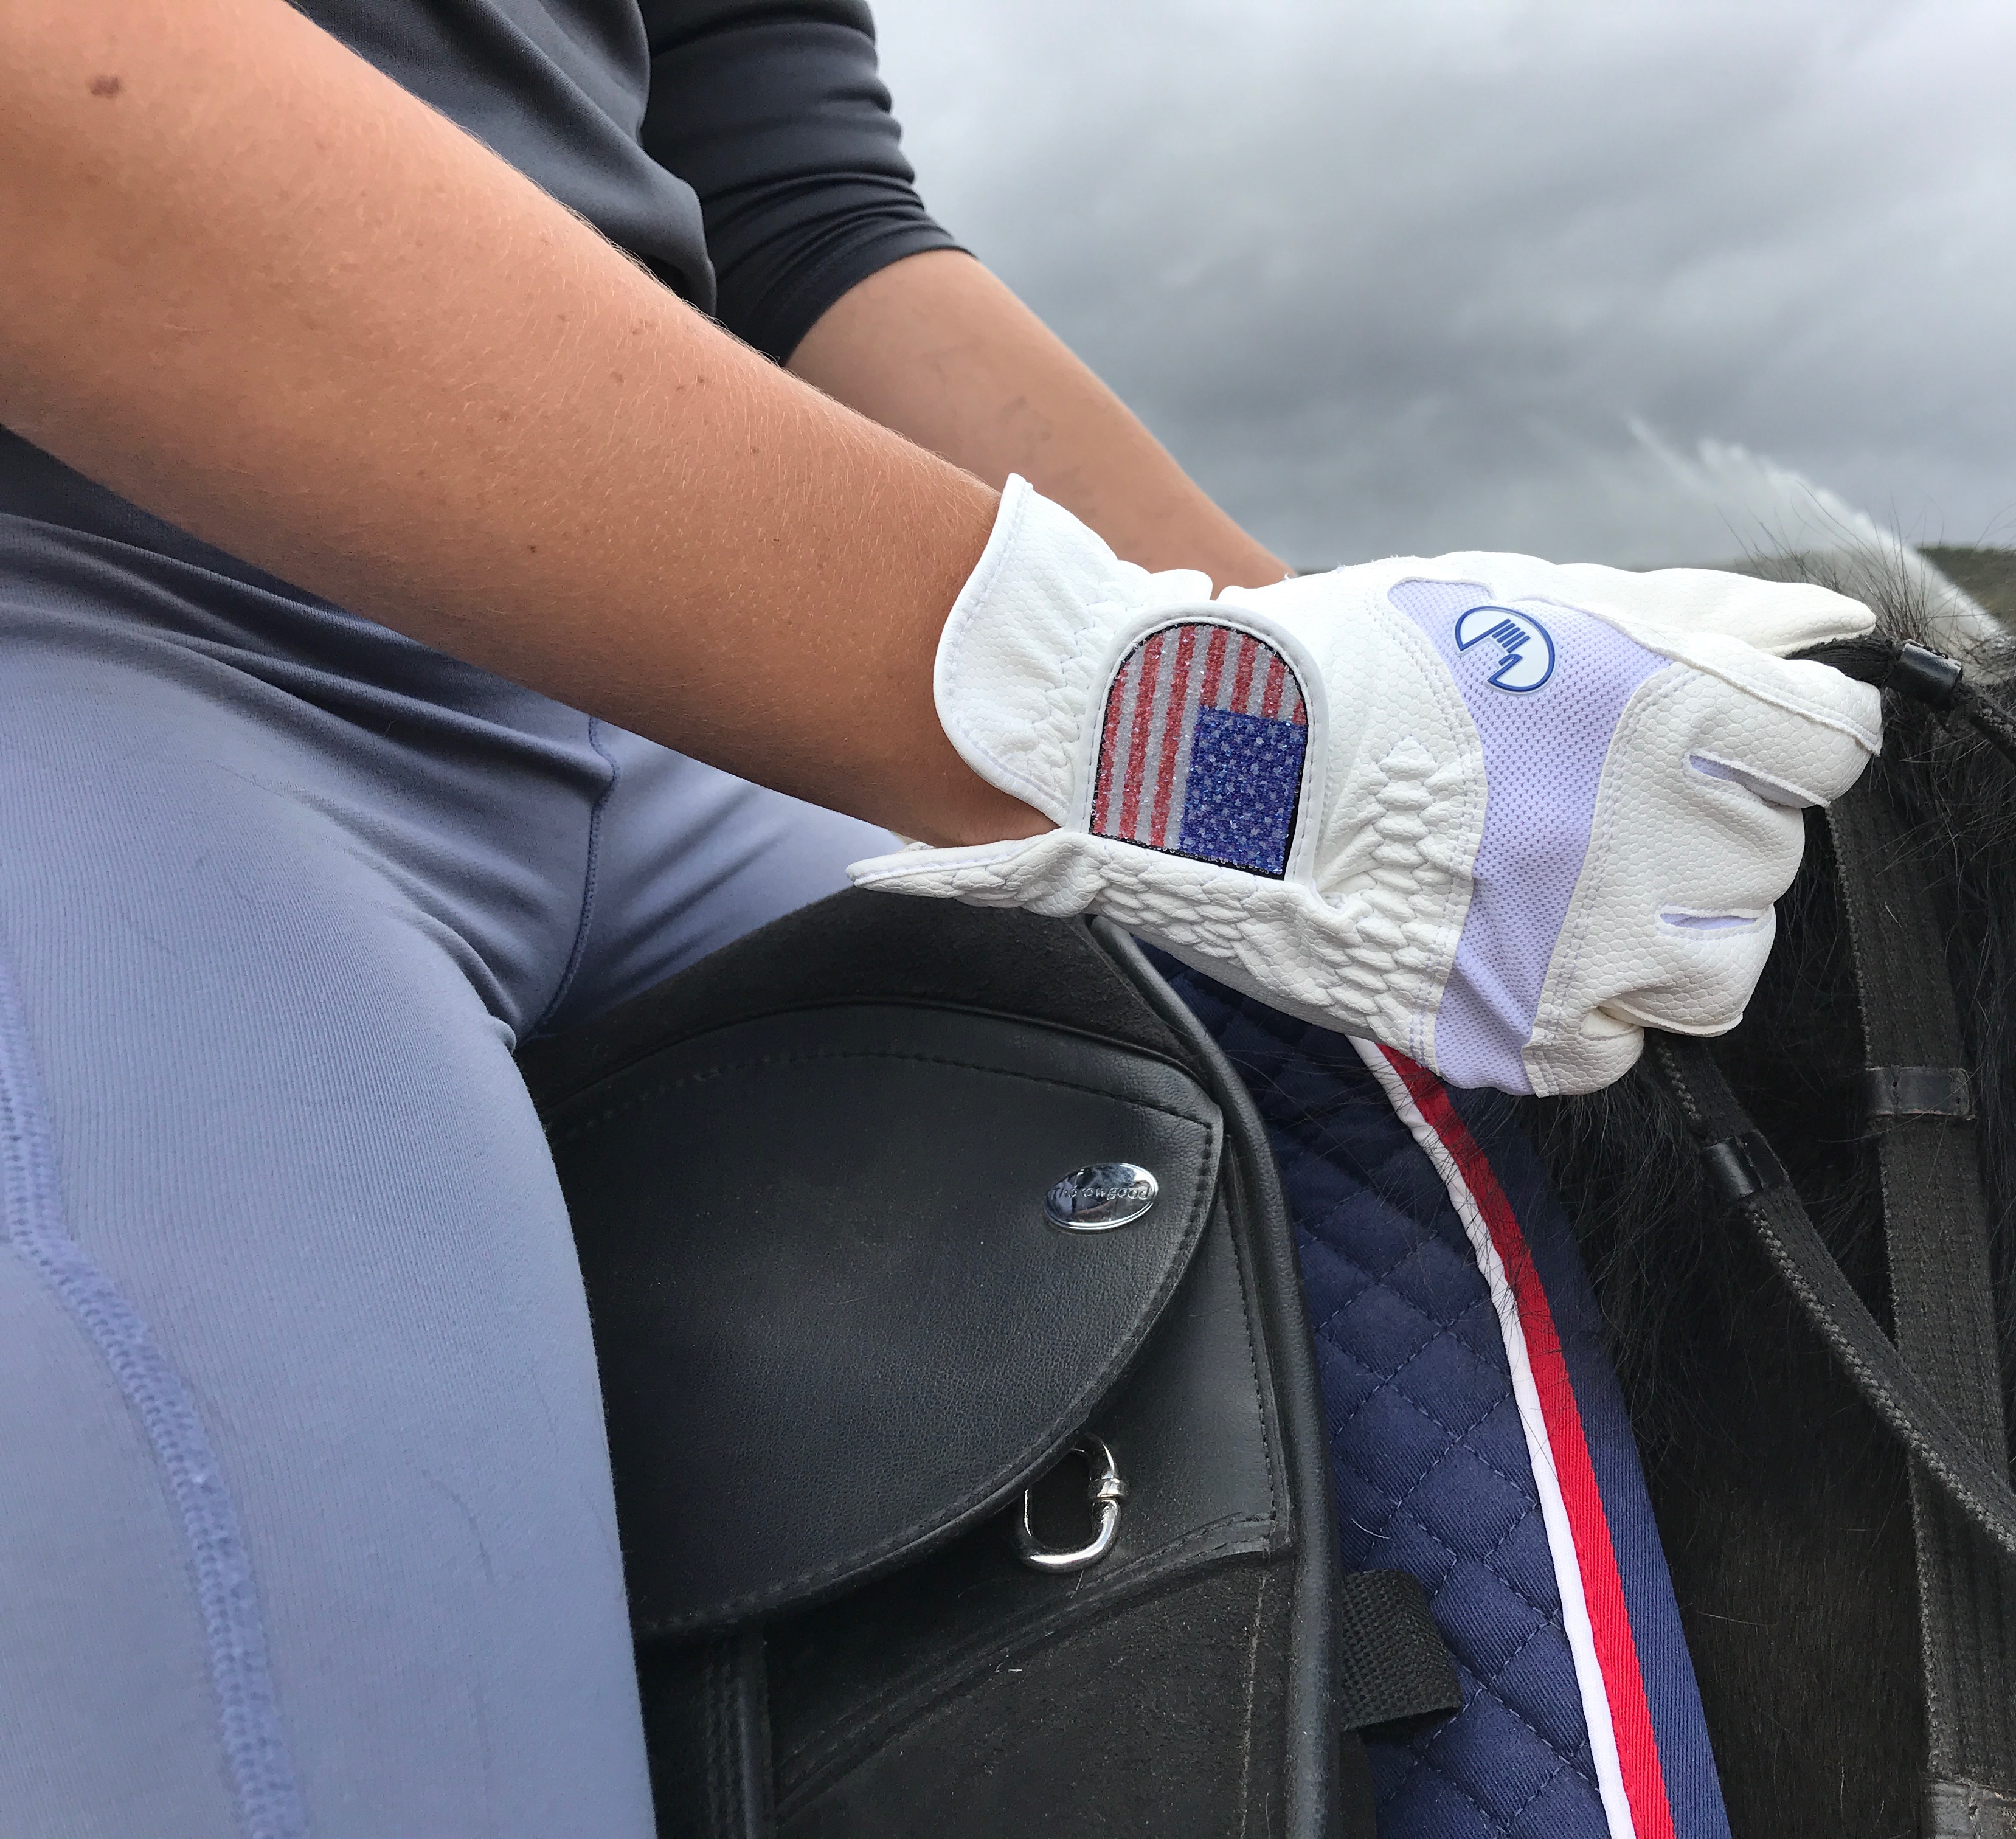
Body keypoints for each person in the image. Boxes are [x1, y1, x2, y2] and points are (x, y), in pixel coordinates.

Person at [0, 2, 1879, 1832]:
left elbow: (801, 209)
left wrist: (1364, 689)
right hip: (91, 604)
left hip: (685, 668)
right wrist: (1147, 719)